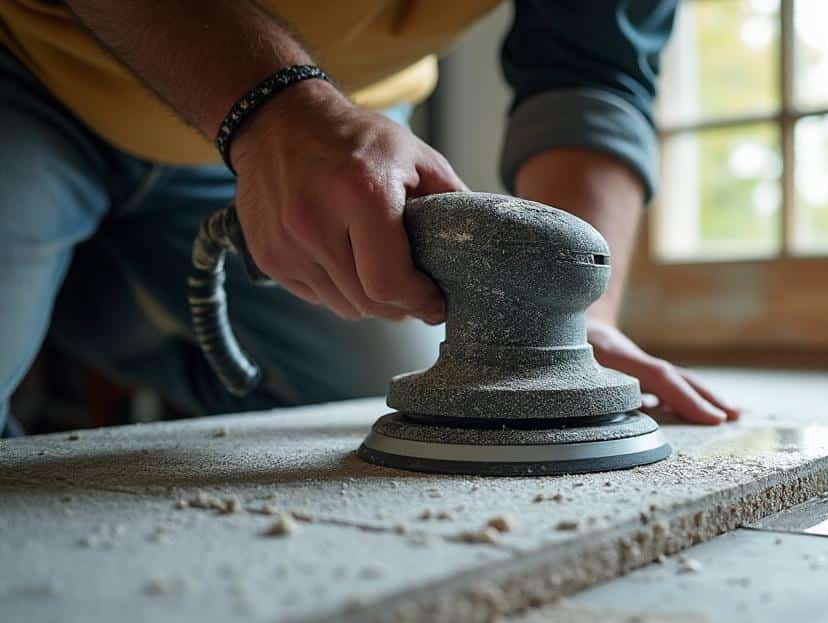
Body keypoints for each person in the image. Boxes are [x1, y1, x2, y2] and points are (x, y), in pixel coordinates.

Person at [0, 0, 739, 437]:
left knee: (376, 400)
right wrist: (275, 109)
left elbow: (592, 70)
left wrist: (568, 325)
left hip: (337, 123)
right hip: (33, 72)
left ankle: (84, 298)